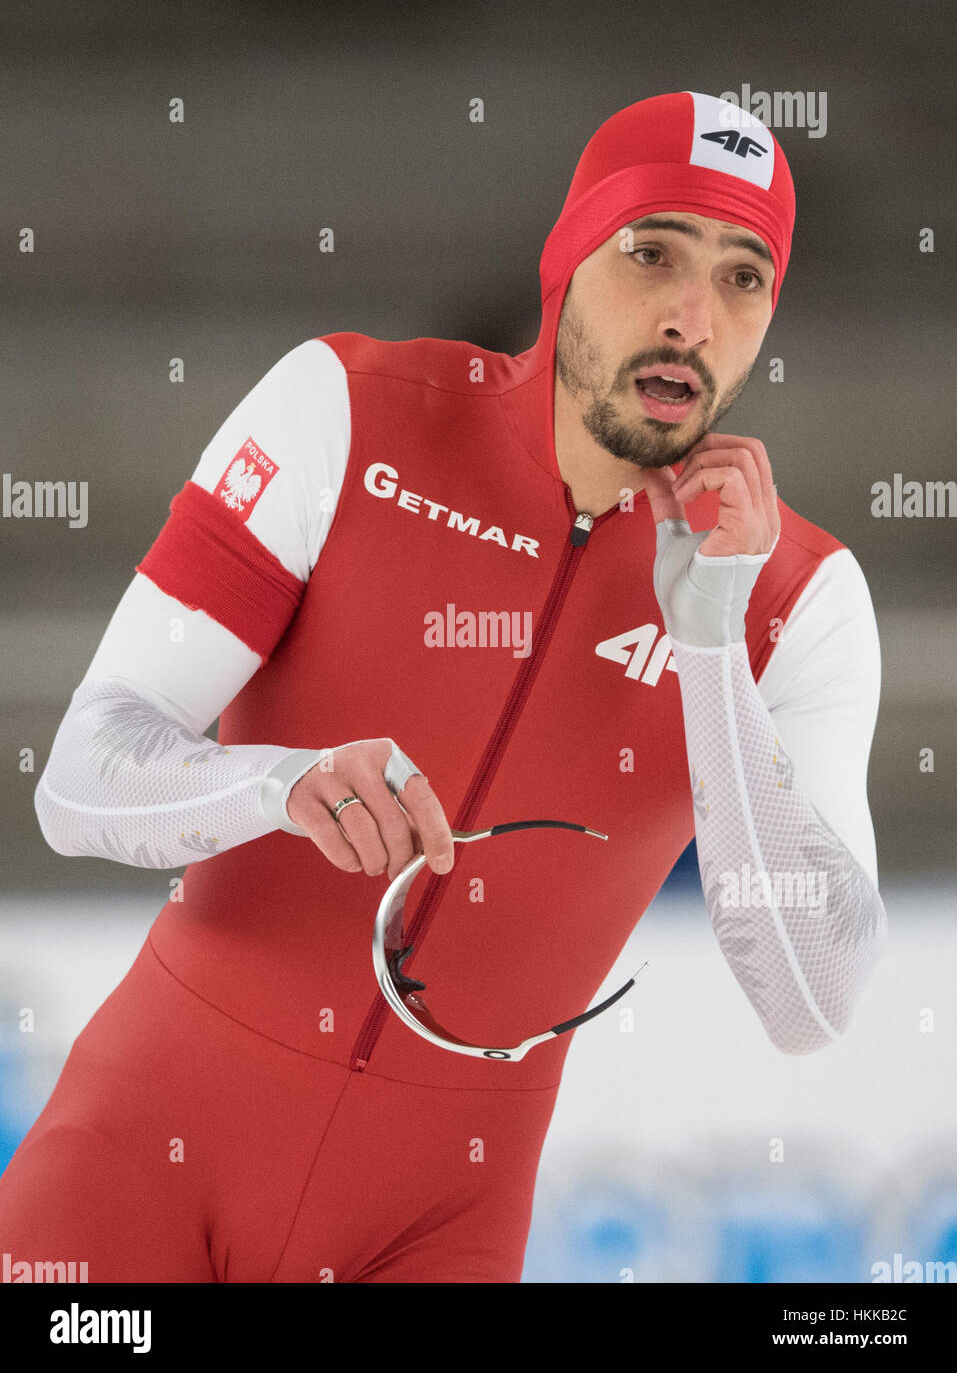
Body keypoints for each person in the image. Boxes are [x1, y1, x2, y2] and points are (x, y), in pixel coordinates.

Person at [0, 90, 885, 1283]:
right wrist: (284, 783)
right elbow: (81, 778)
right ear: (567, 263)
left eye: (743, 277)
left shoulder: (802, 601)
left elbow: (811, 1000)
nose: (691, 314)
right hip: (135, 1168)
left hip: (436, 1230)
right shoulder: (349, 413)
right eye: (653, 252)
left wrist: (713, 645)